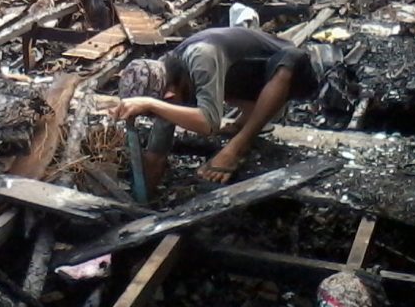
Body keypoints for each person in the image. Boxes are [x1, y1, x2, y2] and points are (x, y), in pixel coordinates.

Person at [110, 26, 319, 188]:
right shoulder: (166, 73)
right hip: (251, 80)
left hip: (296, 73)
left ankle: (238, 146)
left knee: (290, 60)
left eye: (161, 104)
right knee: (202, 91)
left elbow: (209, 123)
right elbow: (156, 154)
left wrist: (151, 104)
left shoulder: (201, 56)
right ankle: (244, 121)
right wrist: (143, 198)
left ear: (169, 95)